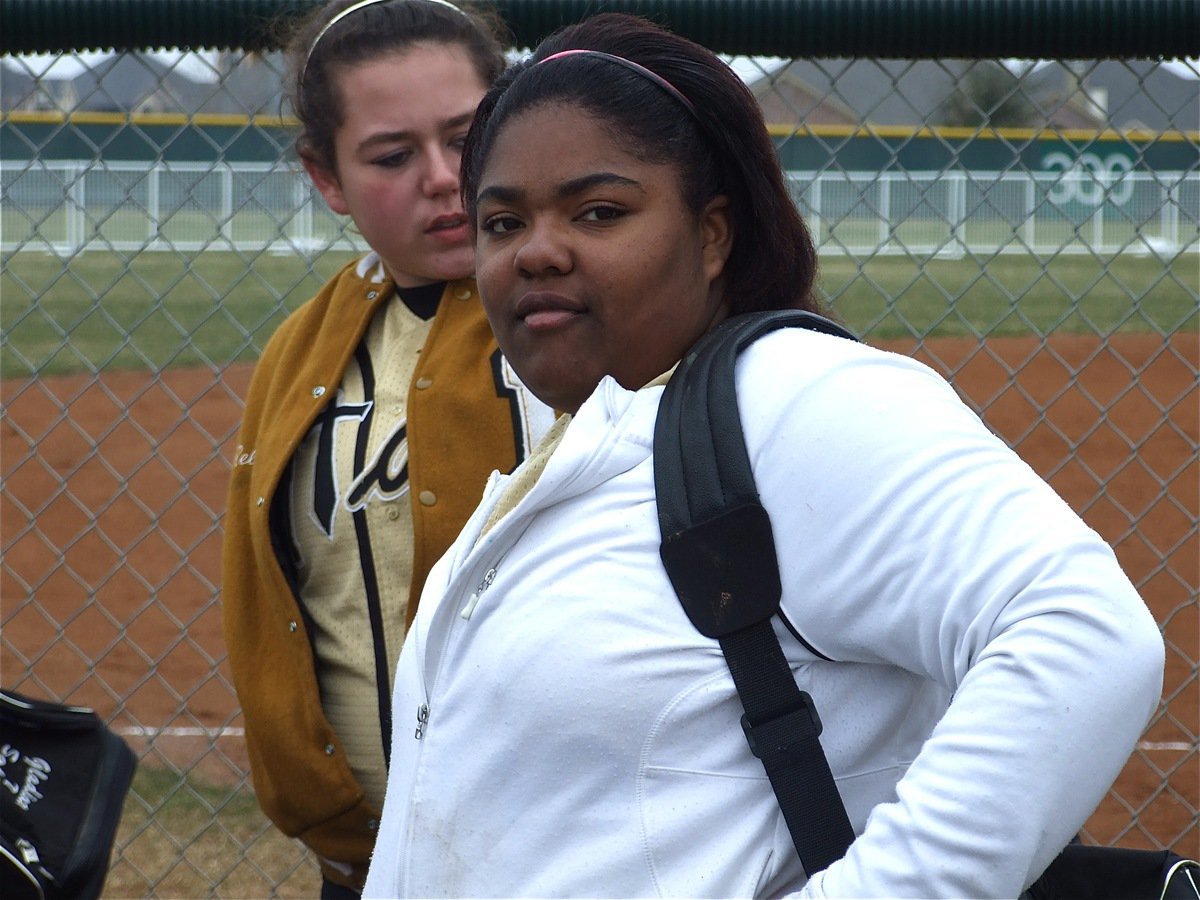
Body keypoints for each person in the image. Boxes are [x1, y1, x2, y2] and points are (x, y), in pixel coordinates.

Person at [362, 13, 1165, 900]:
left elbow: (1085, 631)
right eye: (503, 221)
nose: (537, 251)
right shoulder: (587, 439)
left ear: (713, 235)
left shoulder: (793, 394)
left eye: (599, 211)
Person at [219, 2, 553, 897]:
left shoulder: (592, 318)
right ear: (326, 178)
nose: (445, 179)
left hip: (561, 851)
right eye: (392, 156)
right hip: (364, 865)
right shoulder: (302, 355)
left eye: (467, 135)